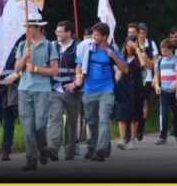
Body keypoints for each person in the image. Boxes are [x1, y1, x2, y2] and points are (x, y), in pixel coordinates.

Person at [8, 12, 58, 170]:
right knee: (27, 126)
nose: (27, 29)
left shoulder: (50, 46)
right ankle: (31, 158)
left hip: (42, 90)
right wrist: (23, 58)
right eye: (27, 27)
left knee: (39, 126)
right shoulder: (23, 45)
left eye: (30, 27)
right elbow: (16, 68)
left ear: (39, 28)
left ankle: (43, 148)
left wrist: (35, 68)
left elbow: (54, 71)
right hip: (24, 89)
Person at [76, 22, 128, 161]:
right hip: (89, 90)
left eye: (97, 35)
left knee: (104, 120)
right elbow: (79, 64)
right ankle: (94, 147)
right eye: (93, 34)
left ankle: (100, 150)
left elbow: (125, 69)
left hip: (107, 89)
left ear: (105, 37)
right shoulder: (88, 48)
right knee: (92, 122)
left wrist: (114, 57)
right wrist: (78, 77)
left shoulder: (111, 50)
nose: (94, 37)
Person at [47, 21, 81, 161]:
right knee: (55, 118)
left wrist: (76, 83)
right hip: (55, 88)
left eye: (60, 31)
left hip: (72, 89)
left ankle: (70, 149)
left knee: (72, 121)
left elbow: (81, 67)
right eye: (56, 31)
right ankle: (53, 148)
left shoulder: (78, 47)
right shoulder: (52, 46)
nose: (57, 34)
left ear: (69, 33)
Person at [115, 36, 151, 150]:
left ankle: (132, 139)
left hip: (137, 87)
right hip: (123, 87)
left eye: (132, 44)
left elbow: (144, 64)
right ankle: (122, 139)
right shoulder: (121, 56)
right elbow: (118, 70)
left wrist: (137, 49)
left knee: (135, 115)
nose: (129, 47)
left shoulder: (140, 55)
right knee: (122, 115)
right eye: (128, 44)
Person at [153, 39, 177, 144]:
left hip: (174, 91)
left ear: (171, 50)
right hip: (164, 91)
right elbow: (156, 75)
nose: (163, 53)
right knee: (164, 113)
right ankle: (163, 136)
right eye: (162, 51)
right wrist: (156, 85)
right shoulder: (159, 61)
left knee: (176, 113)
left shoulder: (176, 60)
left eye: (165, 51)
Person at [136, 23, 157, 141]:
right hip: (135, 77)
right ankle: (135, 126)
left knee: (144, 102)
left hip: (147, 78)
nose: (141, 35)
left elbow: (154, 64)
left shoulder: (151, 44)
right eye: (139, 33)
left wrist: (144, 54)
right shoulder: (133, 44)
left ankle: (141, 128)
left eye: (144, 33)